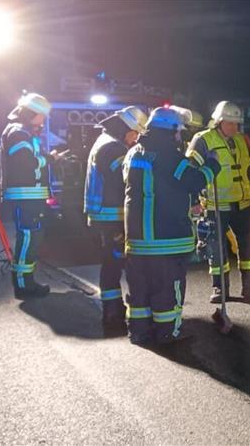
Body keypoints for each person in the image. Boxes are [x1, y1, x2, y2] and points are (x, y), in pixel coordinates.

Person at [123, 107, 219, 345]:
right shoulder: (170, 156)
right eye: (178, 132)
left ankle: (139, 332)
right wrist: (212, 166)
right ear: (170, 131)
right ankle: (168, 332)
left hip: (137, 238)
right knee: (167, 288)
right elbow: (193, 181)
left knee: (140, 289)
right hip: (166, 237)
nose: (180, 137)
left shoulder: (134, 153)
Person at [186, 101, 250, 303]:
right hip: (215, 205)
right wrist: (194, 200)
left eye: (237, 124)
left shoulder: (241, 140)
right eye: (231, 123)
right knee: (216, 250)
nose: (235, 128)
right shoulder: (203, 140)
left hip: (242, 203)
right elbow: (191, 172)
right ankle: (220, 289)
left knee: (248, 247)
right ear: (219, 121)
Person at [0, 93, 72, 297]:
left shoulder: (23, 132)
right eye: (42, 115)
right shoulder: (17, 133)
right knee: (29, 237)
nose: (44, 120)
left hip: (30, 196)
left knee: (32, 237)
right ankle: (23, 285)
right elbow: (25, 162)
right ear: (32, 113)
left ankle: (27, 282)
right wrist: (50, 159)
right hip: (25, 196)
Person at [83, 106, 148, 333]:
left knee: (111, 263)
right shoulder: (112, 148)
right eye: (135, 134)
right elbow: (127, 178)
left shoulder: (107, 141)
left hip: (106, 215)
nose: (136, 139)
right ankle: (115, 311)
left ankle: (113, 309)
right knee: (116, 264)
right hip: (112, 216)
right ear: (125, 129)